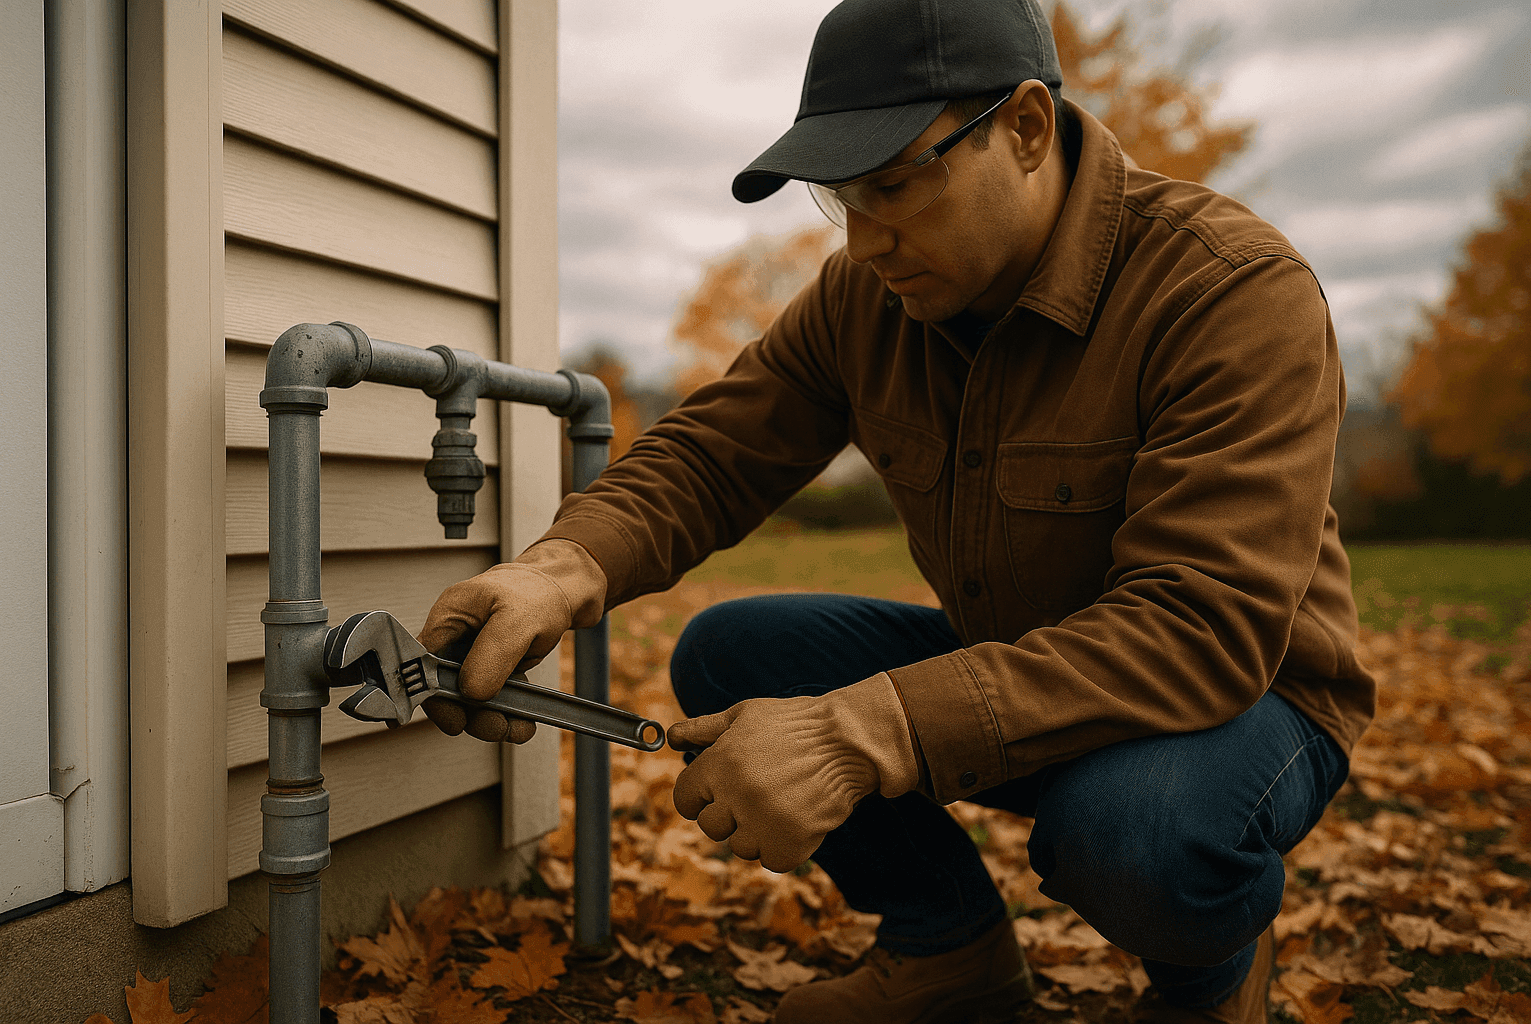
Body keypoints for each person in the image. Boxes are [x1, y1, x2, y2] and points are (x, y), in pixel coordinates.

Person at [417, 1, 1376, 1021]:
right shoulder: (865, 300)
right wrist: (560, 567)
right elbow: (712, 454)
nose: (865, 239)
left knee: (1131, 830)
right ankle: (948, 951)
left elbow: (1200, 630)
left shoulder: (1227, 290)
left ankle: (1213, 977)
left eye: (893, 184)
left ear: (1027, 128)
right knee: (735, 652)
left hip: (1247, 705)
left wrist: (861, 731)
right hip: (1018, 669)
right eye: (841, 197)